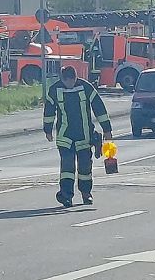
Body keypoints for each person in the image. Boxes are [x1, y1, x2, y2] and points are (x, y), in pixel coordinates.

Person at [43, 65, 113, 208]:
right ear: (62, 79)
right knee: (67, 168)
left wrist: (107, 129)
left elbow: (99, 108)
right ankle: (66, 196)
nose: (70, 84)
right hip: (65, 136)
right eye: (67, 81)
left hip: (84, 136)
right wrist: (47, 130)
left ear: (76, 77)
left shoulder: (86, 88)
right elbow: (49, 111)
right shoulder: (54, 90)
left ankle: (86, 194)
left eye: (72, 80)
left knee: (85, 169)